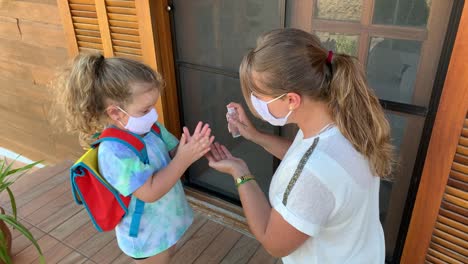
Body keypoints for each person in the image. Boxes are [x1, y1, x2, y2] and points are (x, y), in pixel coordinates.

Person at [207, 28, 394, 263]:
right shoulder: (342, 122)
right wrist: (255, 136)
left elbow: (273, 242)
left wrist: (240, 172)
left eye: (258, 95)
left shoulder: (312, 175)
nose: (254, 102)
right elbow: (302, 155)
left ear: (292, 100)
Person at [53, 53, 213, 263]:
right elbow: (149, 191)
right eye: (145, 109)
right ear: (116, 113)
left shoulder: (150, 127)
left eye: (153, 106)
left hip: (165, 219)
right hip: (147, 234)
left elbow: (174, 151)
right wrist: (184, 158)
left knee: (168, 252)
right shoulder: (114, 152)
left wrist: (195, 147)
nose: (153, 114)